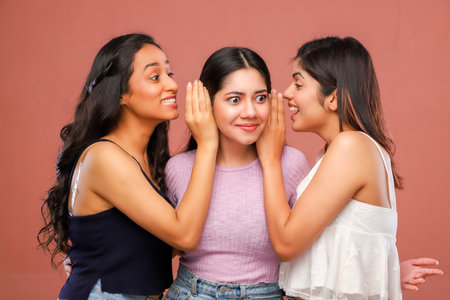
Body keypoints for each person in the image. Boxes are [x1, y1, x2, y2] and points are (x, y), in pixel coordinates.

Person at [256, 36, 443, 299]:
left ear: (333, 97)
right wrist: (388, 272)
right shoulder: (343, 149)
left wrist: (269, 158)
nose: (287, 93)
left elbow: (286, 243)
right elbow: (349, 241)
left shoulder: (350, 147)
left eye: (298, 83)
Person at [37, 33, 218, 300]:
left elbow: (150, 245)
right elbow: (185, 236)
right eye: (155, 77)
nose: (172, 84)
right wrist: (208, 143)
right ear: (120, 94)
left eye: (170, 73)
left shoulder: (145, 159)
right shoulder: (105, 157)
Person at [164, 47, 310, 300]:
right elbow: (162, 249)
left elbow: (311, 257)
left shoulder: (291, 165)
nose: (251, 112)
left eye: (260, 98)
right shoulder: (179, 168)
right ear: (207, 102)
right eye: (235, 99)